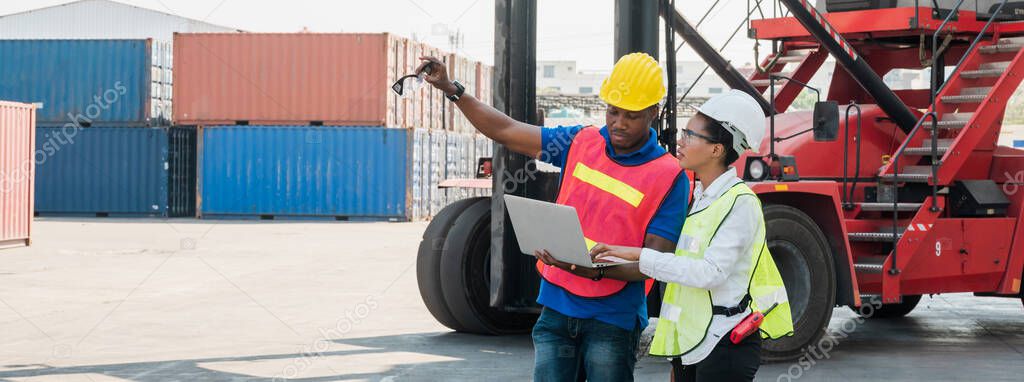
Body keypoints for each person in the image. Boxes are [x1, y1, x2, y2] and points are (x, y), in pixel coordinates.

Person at [416, 53, 690, 381]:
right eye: (613, 111)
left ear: (653, 113)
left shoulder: (669, 176)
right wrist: (452, 88)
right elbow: (506, 130)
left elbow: (655, 261)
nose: (618, 123)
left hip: (613, 319)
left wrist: (595, 272)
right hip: (557, 309)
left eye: (630, 116)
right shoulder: (581, 141)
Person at [590, 90, 794, 382]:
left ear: (717, 150)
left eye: (690, 135)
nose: (680, 140)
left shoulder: (740, 202)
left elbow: (710, 273)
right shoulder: (700, 197)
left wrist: (639, 256)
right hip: (694, 341)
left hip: (723, 346)